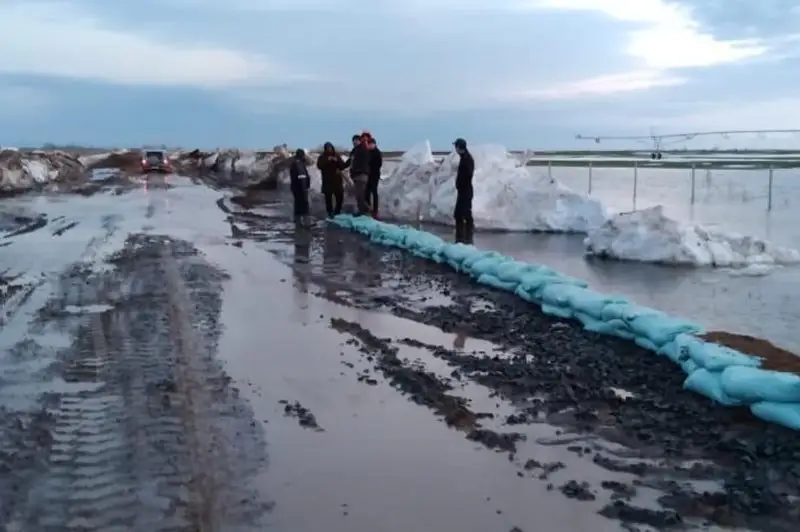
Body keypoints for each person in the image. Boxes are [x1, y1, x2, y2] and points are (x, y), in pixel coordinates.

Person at [316, 142, 347, 218]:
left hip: (337, 181)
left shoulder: (336, 156)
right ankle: (330, 213)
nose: (329, 149)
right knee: (328, 199)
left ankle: (337, 212)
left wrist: (338, 161)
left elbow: (342, 166)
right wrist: (328, 160)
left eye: (330, 148)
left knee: (340, 197)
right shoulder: (322, 157)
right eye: (327, 148)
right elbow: (319, 165)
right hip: (327, 181)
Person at [453, 138, 474, 243]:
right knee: (459, 214)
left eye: (456, 146)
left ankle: (466, 238)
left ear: (459, 147)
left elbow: (468, 175)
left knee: (464, 214)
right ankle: (461, 237)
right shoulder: (464, 157)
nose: (455, 149)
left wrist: (461, 184)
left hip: (465, 191)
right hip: (463, 191)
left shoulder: (467, 159)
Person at [344, 132, 371, 215]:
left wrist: (359, 169)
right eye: (353, 141)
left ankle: (364, 211)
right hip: (355, 175)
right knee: (358, 194)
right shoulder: (354, 151)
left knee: (360, 194)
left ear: (359, 141)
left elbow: (365, 161)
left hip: (361, 174)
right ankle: (363, 210)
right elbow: (349, 161)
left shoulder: (363, 149)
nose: (354, 142)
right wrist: (341, 166)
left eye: (356, 140)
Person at [289, 148, 311, 224]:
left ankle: (298, 221)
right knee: (303, 204)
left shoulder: (298, 163)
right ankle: (305, 221)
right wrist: (304, 187)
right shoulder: (298, 164)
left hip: (298, 187)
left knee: (298, 204)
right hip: (300, 187)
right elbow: (301, 176)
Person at [365, 137, 383, 218]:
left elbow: (379, 164)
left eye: (372, 144)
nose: (371, 145)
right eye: (369, 144)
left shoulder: (377, 152)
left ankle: (375, 210)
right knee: (367, 192)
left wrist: (371, 167)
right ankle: (368, 208)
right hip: (368, 175)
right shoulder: (367, 152)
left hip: (375, 174)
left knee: (374, 191)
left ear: (375, 144)